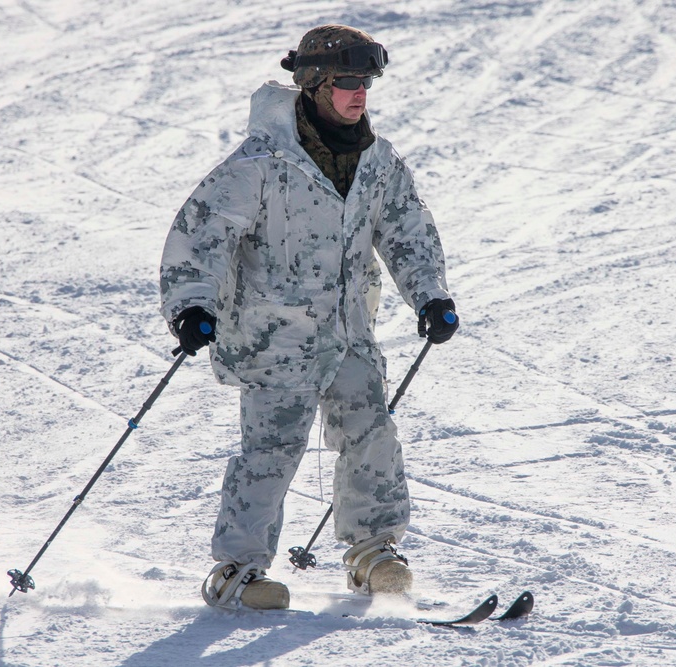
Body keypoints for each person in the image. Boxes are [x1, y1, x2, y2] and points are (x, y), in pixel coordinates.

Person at [159, 24, 458, 610]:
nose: (360, 93)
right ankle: (237, 570)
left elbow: (406, 230)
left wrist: (430, 295)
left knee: (371, 432)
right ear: (314, 84)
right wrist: (191, 307)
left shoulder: (376, 159)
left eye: (367, 81)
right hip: (275, 337)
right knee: (271, 450)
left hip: (348, 331)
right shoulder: (263, 161)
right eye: (347, 81)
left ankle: (372, 550)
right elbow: (202, 234)